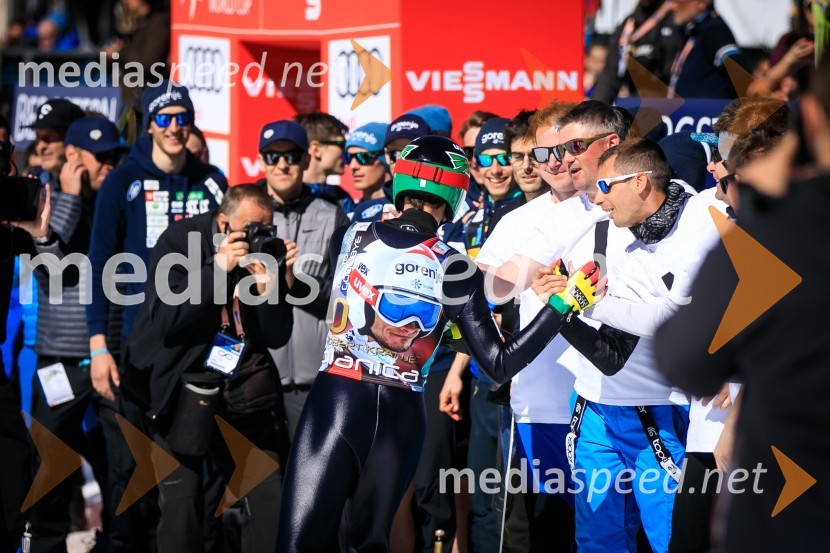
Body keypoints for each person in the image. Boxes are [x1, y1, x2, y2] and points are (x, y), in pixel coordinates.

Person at [276, 135, 605, 553]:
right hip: (401, 415)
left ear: (401, 183)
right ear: (455, 195)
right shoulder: (455, 266)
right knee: (368, 545)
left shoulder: (353, 233)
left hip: (336, 402)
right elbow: (499, 365)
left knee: (297, 543)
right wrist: (562, 305)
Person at [656, 52, 830, 552]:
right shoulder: (713, 211)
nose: (712, 166)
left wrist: (738, 406)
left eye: (723, 156)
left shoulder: (777, 227)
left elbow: (685, 358)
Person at [86, 81, 228, 552]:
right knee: (133, 475)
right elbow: (100, 264)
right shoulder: (122, 182)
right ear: (149, 123)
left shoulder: (212, 182)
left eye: (181, 117)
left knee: (197, 476)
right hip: (139, 350)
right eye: (163, 118)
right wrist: (98, 347)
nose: (173, 127)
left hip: (200, 353)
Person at [124, 184, 294, 552]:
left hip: (242, 390)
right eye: (249, 229)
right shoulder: (179, 241)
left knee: (268, 499)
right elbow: (168, 321)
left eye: (266, 229)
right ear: (222, 223)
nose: (257, 237)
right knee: (182, 507)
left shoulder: (265, 255)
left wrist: (273, 287)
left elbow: (277, 336)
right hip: (181, 389)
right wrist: (218, 268)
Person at [21, 116, 128, 553]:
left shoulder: (121, 196)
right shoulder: (50, 196)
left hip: (110, 355)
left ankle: (117, 543)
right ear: (73, 157)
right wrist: (66, 196)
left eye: (115, 156)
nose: (109, 165)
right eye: (100, 158)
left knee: (122, 466)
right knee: (50, 467)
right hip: (59, 359)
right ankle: (44, 546)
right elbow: (50, 271)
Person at [254, 120, 349, 442]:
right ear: (260, 160)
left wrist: (294, 282)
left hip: (314, 377)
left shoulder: (333, 215)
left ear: (307, 160)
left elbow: (344, 299)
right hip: (256, 375)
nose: (282, 164)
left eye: (291, 156)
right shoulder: (243, 212)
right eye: (272, 156)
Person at [592, 0, 682, 103]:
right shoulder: (628, 25)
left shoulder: (677, 17)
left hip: (672, 103)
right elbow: (610, 74)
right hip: (637, 103)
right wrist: (595, 108)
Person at [668, 0, 742, 98]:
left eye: (680, 2)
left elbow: (739, 72)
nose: (673, 6)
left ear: (701, 3)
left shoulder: (714, 30)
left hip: (709, 111)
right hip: (686, 111)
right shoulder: (693, 31)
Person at [292, 111, 352, 214]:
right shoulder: (288, 198)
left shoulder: (343, 199)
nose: (347, 152)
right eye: (342, 144)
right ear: (317, 150)